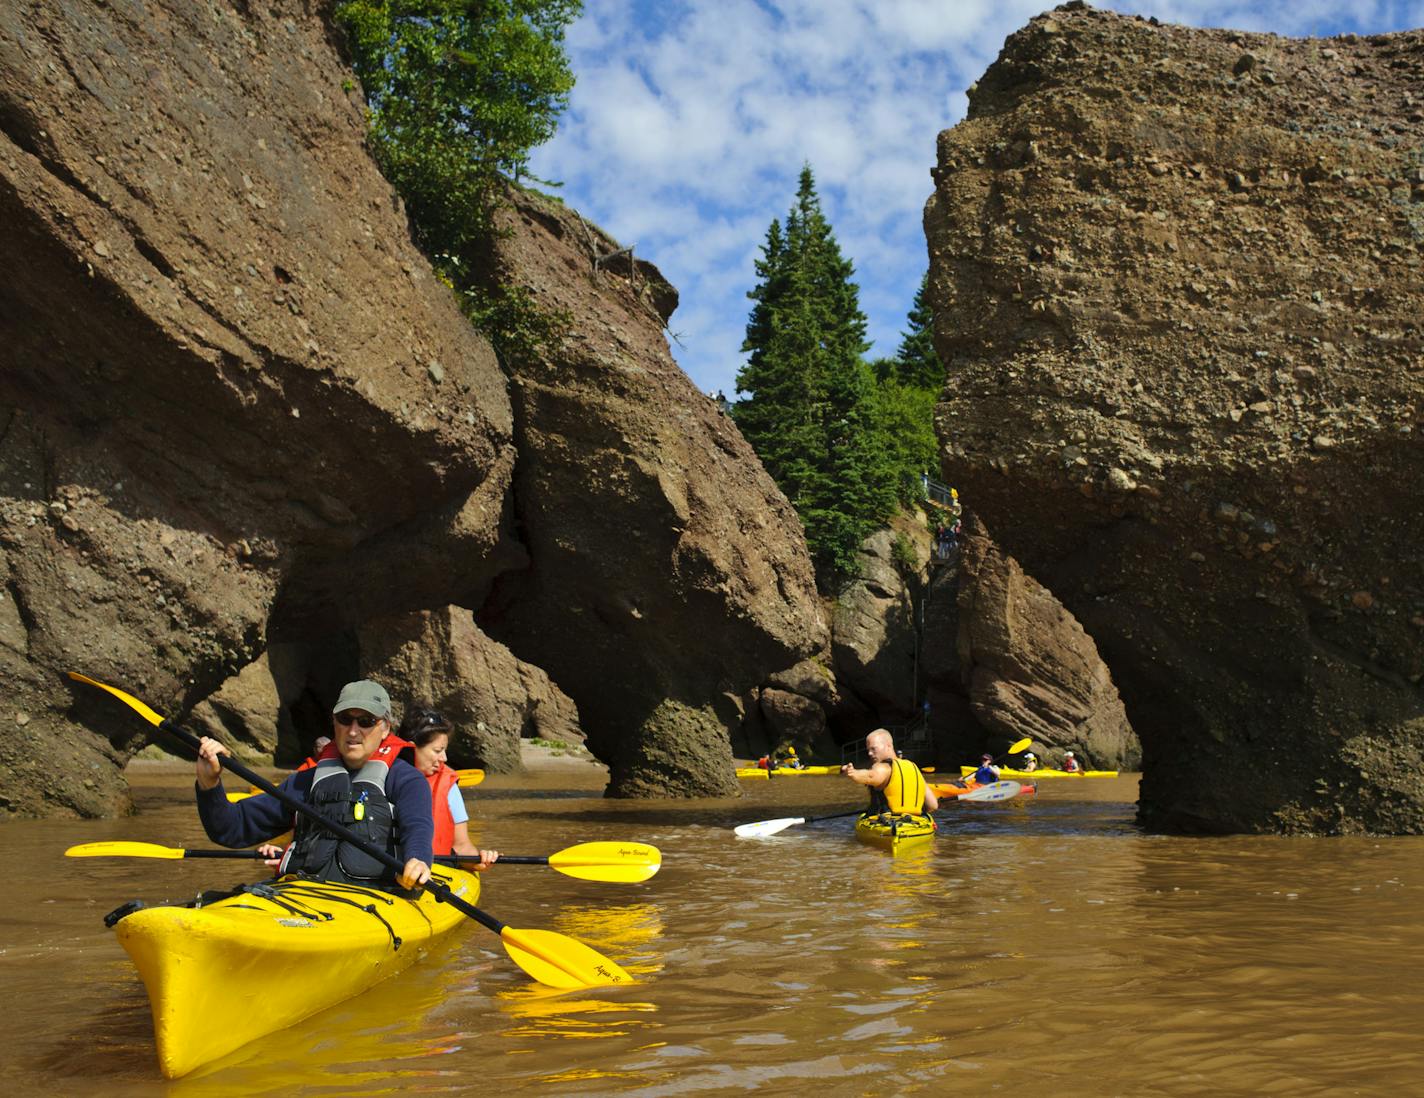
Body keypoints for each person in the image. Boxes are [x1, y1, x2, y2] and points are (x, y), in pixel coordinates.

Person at [195, 680, 433, 890]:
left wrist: (418, 859)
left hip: (375, 896)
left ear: (385, 729)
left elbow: (418, 826)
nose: (353, 730)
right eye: (345, 719)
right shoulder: (304, 782)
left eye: (366, 721)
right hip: (304, 893)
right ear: (334, 723)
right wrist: (209, 783)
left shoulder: (407, 781)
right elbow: (230, 829)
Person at [400, 707, 499, 866]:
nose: (444, 758)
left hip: (438, 869)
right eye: (437, 750)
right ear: (412, 748)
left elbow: (462, 846)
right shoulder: (382, 774)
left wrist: (478, 860)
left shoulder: (448, 786)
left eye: (444, 750)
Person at [841, 728, 938, 817]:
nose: (869, 753)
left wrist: (853, 773)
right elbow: (933, 805)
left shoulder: (883, 767)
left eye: (873, 748)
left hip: (887, 826)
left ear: (889, 746)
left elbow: (870, 776)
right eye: (868, 750)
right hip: (914, 824)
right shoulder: (914, 768)